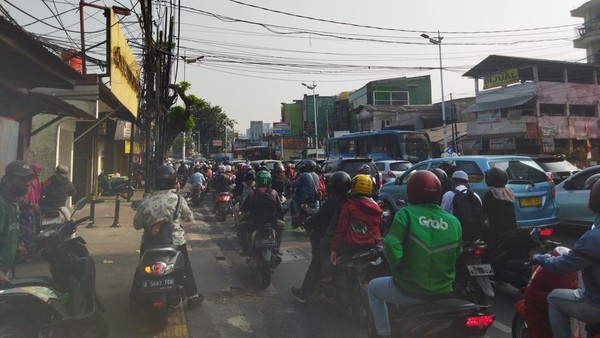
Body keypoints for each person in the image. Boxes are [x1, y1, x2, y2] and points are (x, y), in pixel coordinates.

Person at [367, 170, 462, 338]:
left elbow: (390, 244)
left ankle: (383, 333)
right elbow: (457, 253)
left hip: (409, 290)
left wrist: (398, 271)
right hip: (444, 291)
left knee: (373, 288)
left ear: (411, 192)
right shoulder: (453, 222)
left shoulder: (406, 215)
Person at [531, 174, 600, 338]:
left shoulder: (592, 238)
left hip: (596, 304)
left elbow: (563, 266)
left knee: (554, 298)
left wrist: (541, 258)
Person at [131, 165, 203, 308]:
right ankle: (192, 295)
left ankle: (134, 300)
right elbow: (189, 217)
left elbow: (137, 224)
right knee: (185, 264)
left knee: (141, 268)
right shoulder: (177, 199)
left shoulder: (146, 201)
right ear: (172, 181)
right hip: (175, 242)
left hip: (150, 242)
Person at [291, 171, 351, 303]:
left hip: (333, 237)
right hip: (350, 240)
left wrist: (307, 223)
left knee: (316, 262)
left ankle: (304, 293)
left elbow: (320, 217)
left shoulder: (334, 201)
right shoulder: (351, 200)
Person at [330, 174, 382, 266]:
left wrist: (334, 248)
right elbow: (380, 227)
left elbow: (340, 229)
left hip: (352, 246)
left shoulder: (349, 205)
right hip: (372, 246)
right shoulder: (376, 207)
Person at [0, 160, 35, 284]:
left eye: (29, 179)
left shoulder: (13, 201)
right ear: (8, 179)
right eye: (22, 179)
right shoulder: (2, 203)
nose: (27, 183)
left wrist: (14, 248)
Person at [239, 171, 285, 254]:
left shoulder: (252, 193)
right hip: (272, 222)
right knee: (282, 225)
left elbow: (243, 208)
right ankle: (277, 247)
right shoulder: (273, 193)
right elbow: (280, 209)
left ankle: (245, 249)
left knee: (241, 227)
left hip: (254, 222)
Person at [440, 170, 484, 242]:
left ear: (452, 182)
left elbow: (443, 217)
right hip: (476, 238)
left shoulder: (448, 195)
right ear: (467, 183)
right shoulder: (476, 196)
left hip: (456, 237)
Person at [482, 167, 516, 250]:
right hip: (510, 230)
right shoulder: (509, 192)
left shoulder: (491, 194)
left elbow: (483, 213)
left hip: (495, 232)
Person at [290, 160, 320, 228]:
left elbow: (295, 184)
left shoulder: (305, 175)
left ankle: (296, 215)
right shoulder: (317, 176)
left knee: (294, 199)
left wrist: (290, 183)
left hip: (305, 198)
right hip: (315, 199)